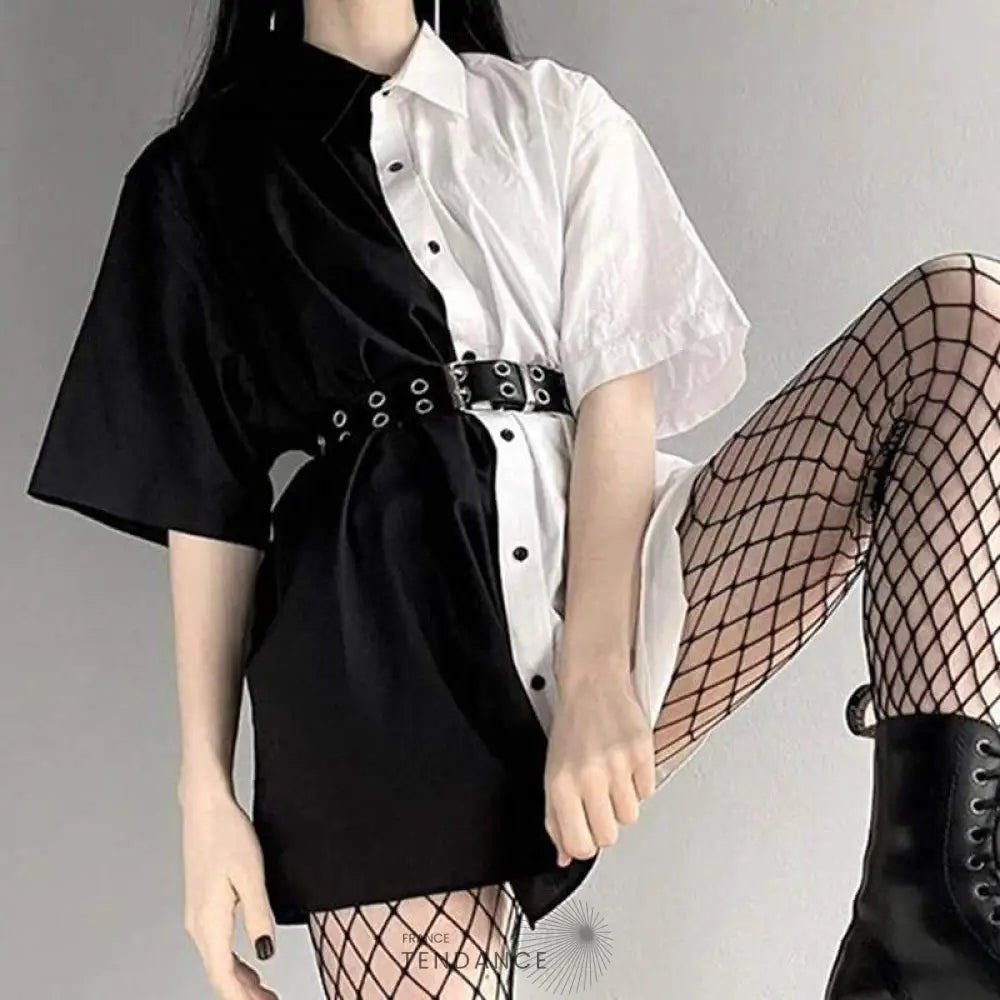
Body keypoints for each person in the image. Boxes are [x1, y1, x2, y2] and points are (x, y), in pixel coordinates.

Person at [24, 0, 1000, 998]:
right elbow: (208, 504)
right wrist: (205, 793)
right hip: (377, 673)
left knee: (961, 323)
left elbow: (617, 390)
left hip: (614, 593)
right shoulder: (197, 175)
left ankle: (925, 932)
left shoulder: (553, 114)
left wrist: (596, 669)